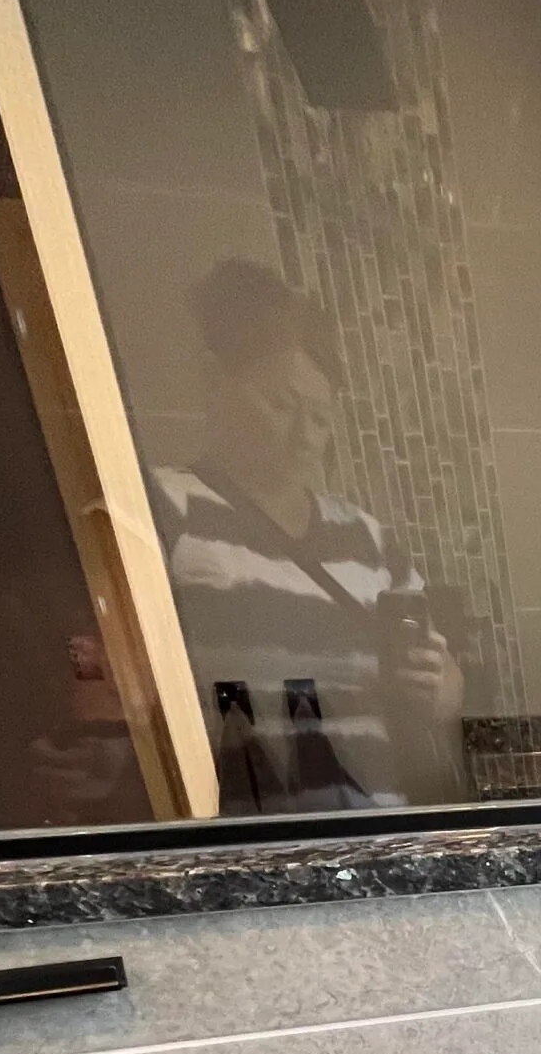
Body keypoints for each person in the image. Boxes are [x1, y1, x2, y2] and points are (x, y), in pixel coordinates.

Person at [151, 260, 466, 809]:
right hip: (252, 842)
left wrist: (431, 684)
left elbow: (448, 691)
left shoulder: (366, 536)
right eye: (281, 406)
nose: (304, 437)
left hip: (383, 834)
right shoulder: (166, 507)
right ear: (213, 380)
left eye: (320, 418)